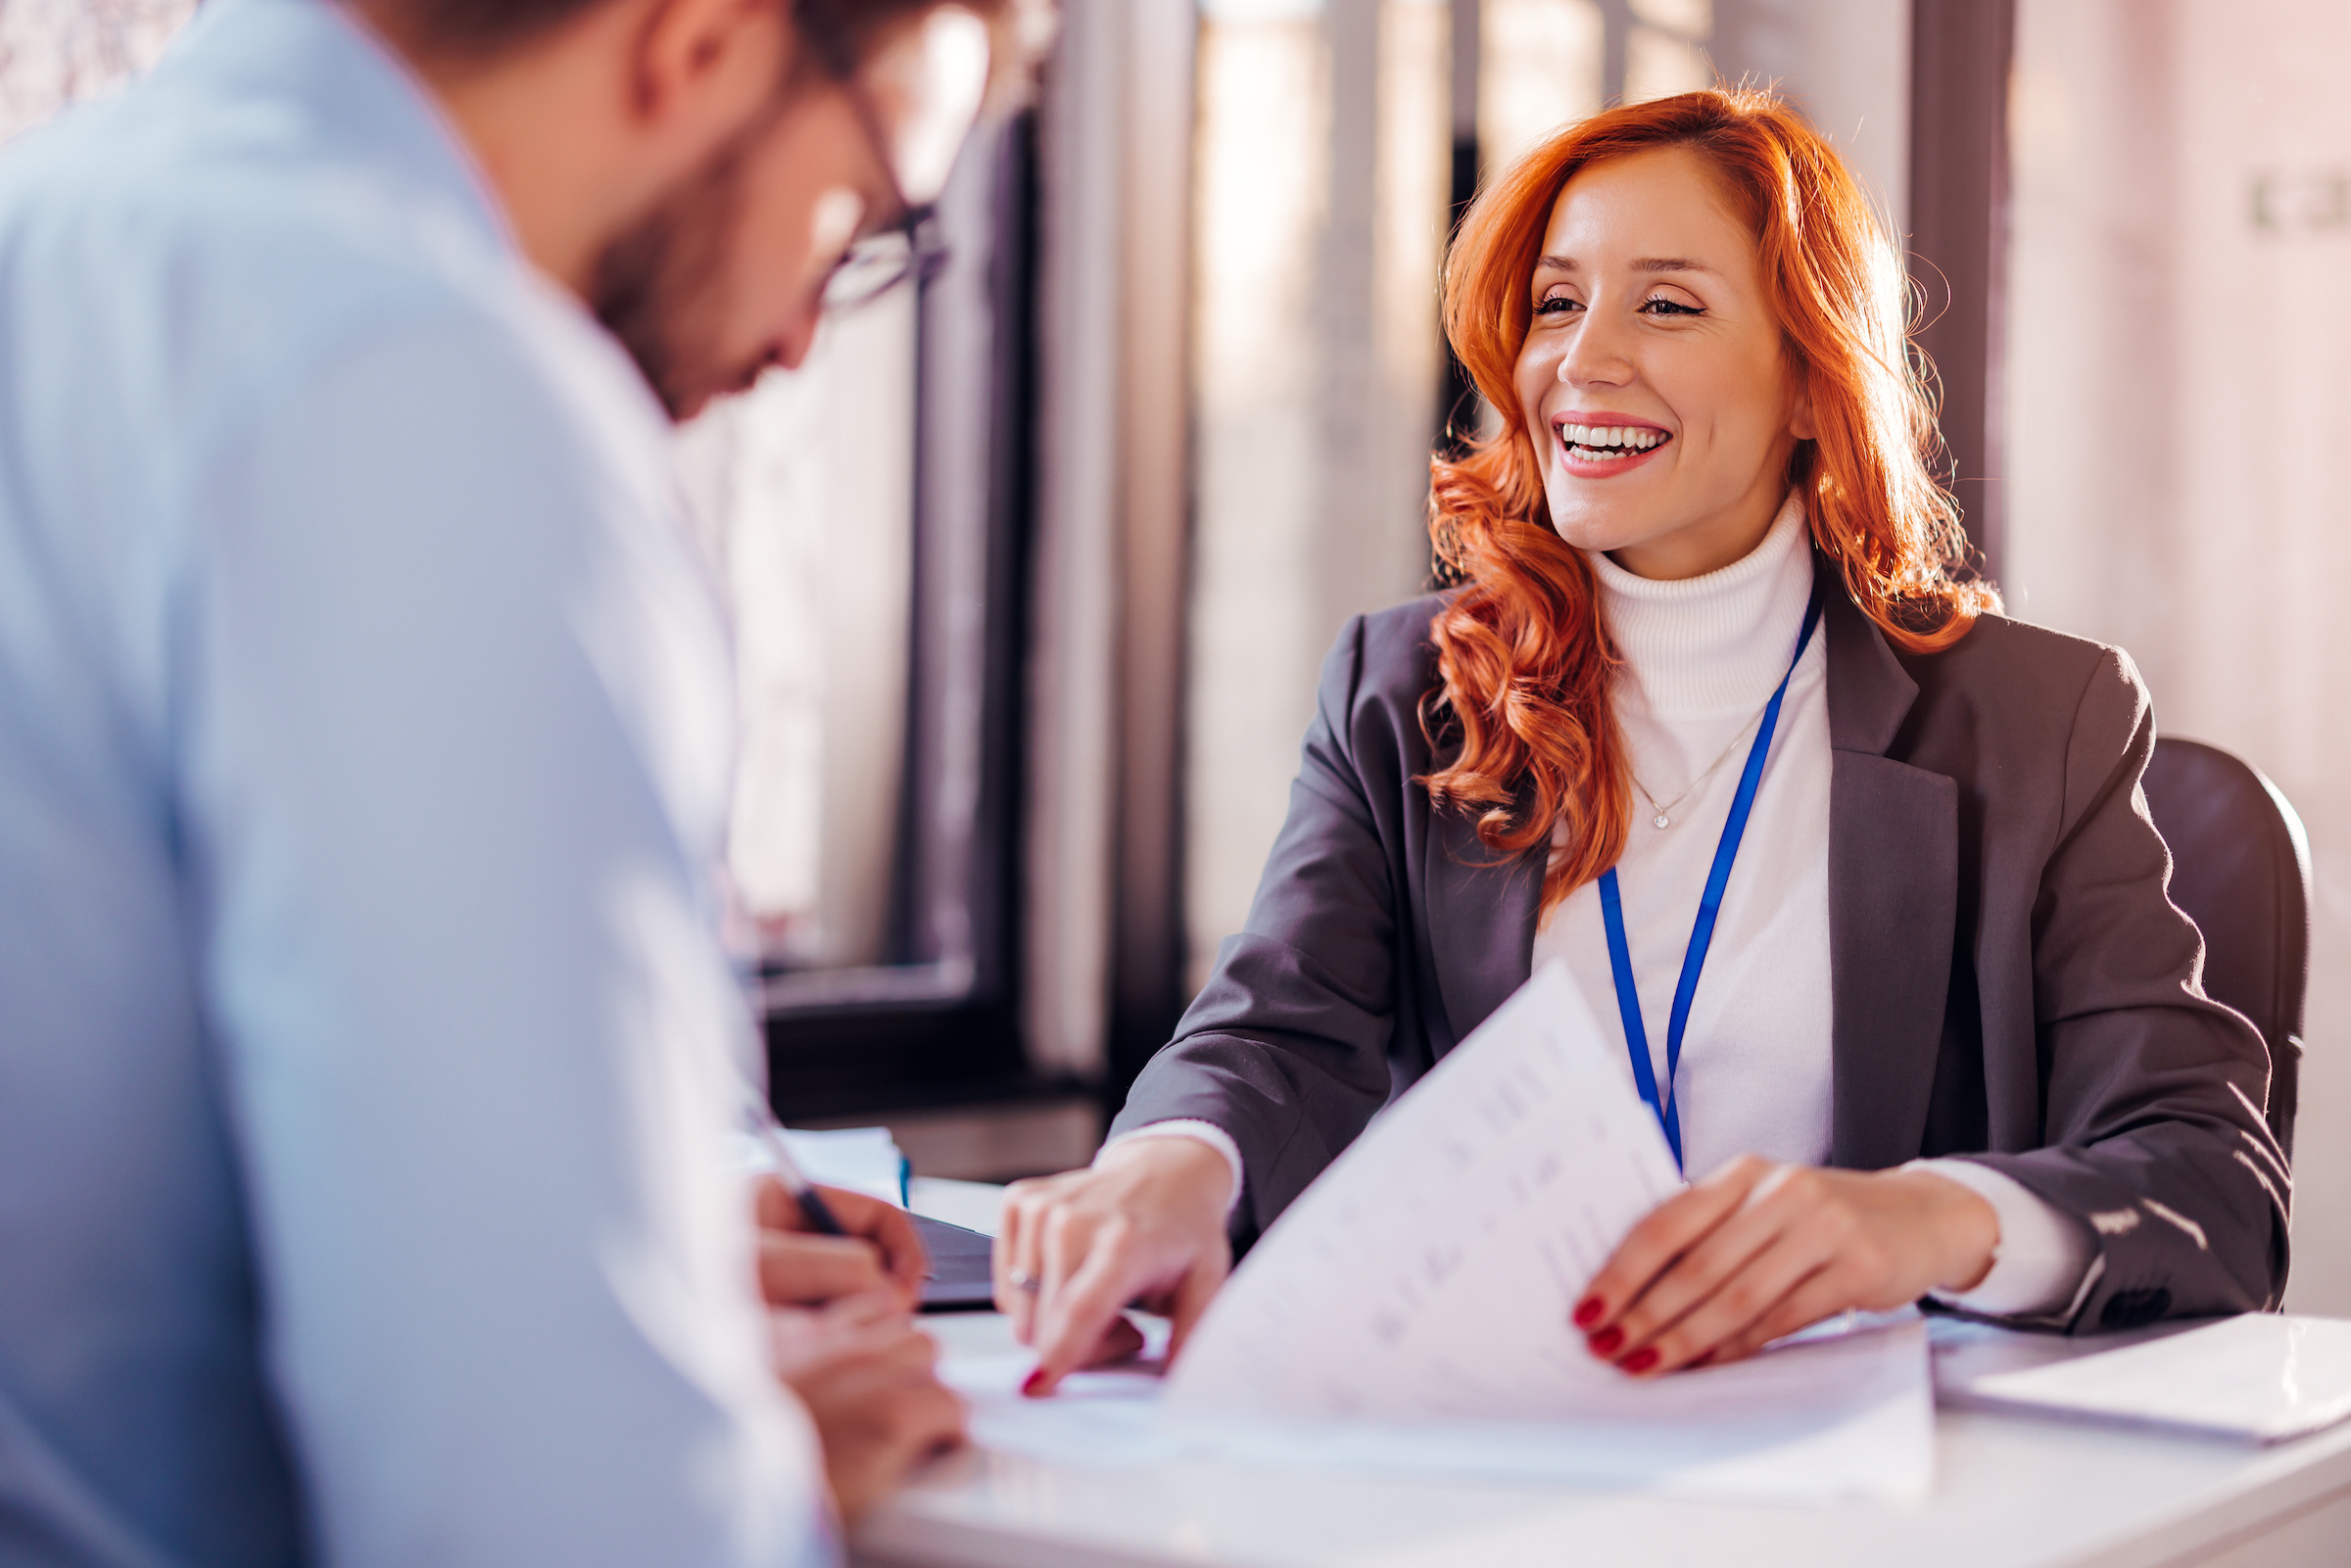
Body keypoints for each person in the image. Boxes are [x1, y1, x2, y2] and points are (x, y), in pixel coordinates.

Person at [997, 87, 2291, 1397]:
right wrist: (1166, 1165)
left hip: (1878, 1473)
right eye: (1558, 302)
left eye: (1665, 304)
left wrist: (1923, 1219)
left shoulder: (2035, 726)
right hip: (1499, 1438)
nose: (1583, 359)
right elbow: (1272, 1031)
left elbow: (2217, 1182)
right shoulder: (1404, 693)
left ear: (1804, 375)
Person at [0, 0, 1042, 1562]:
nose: (803, 338)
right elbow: (549, 1519)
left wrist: (602, 1235)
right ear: (699, 38)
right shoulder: (431, 388)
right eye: (861, 218)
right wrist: (735, 1448)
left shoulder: (58, 231)